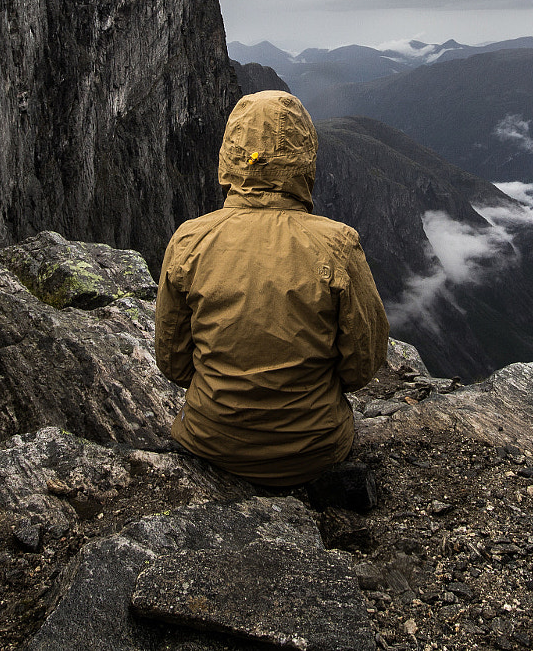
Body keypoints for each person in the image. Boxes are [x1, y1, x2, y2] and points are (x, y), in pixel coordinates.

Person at [154, 90, 389, 487]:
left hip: (211, 440)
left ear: (230, 155)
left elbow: (173, 362)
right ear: (305, 157)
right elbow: (362, 362)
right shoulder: (338, 244)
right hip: (315, 448)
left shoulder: (189, 240)